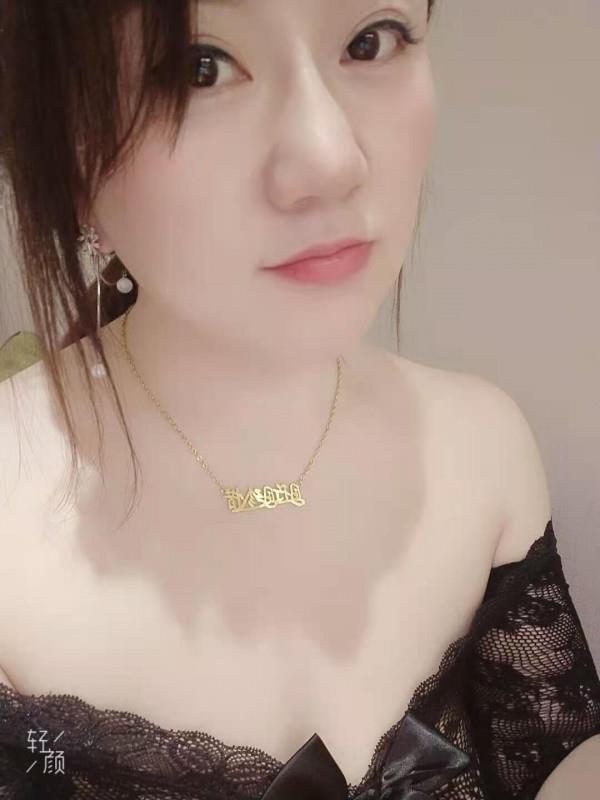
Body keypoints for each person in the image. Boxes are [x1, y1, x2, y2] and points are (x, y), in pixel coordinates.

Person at [0, 2, 599, 799]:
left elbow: (557, 759)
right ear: (69, 154)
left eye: (370, 41)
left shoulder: (481, 448)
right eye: (200, 69)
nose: (332, 158)